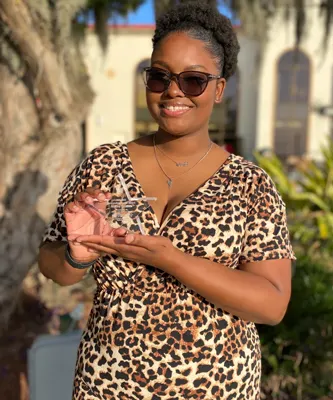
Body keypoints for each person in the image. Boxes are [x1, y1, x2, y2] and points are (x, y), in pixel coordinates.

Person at [36, 3, 295, 399]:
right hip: (109, 386)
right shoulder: (104, 165)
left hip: (217, 389)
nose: (173, 90)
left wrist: (171, 259)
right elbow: (53, 266)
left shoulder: (250, 185)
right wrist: (77, 255)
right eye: (160, 76)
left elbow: (272, 304)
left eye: (193, 80)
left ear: (219, 89)